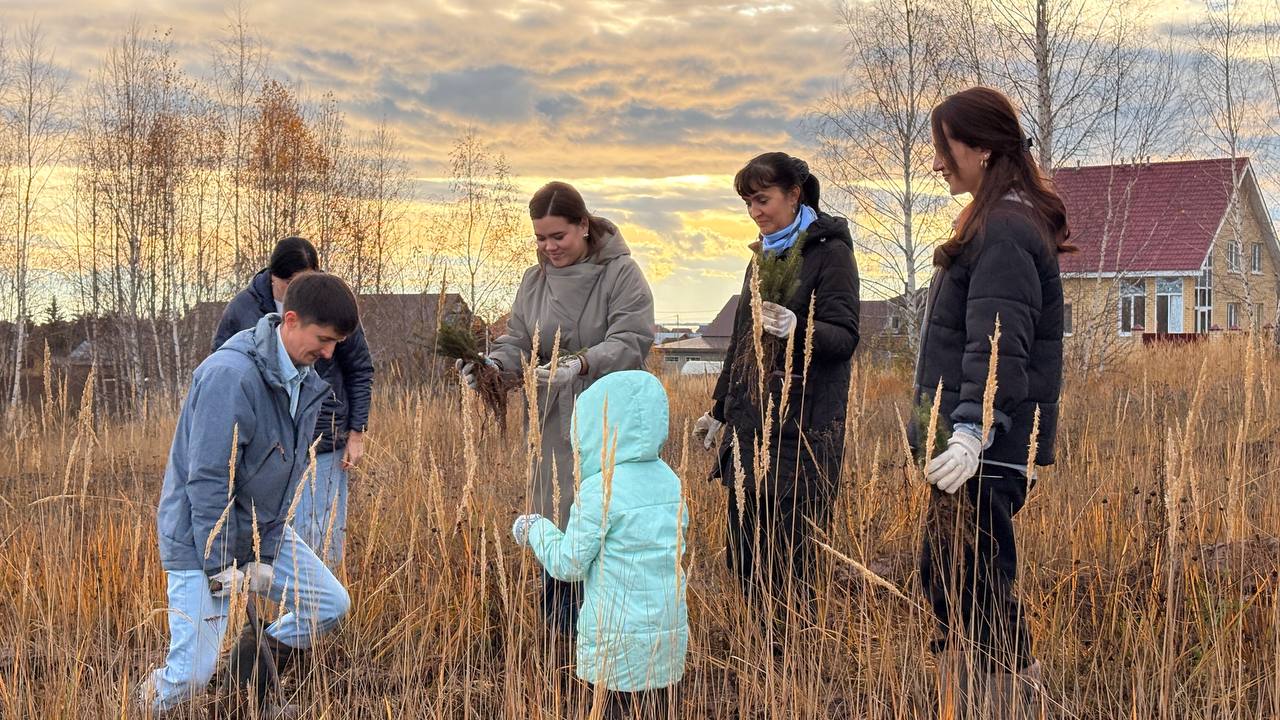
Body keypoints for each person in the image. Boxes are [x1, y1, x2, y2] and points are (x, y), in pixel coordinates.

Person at [915, 86, 1070, 713]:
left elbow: (998, 340)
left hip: (991, 441)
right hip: (979, 438)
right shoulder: (995, 217)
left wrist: (973, 430)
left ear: (978, 148)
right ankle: (976, 689)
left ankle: (1016, 693)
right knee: (953, 571)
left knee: (975, 576)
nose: (936, 163)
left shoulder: (1004, 227)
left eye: (943, 148)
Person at [139, 273, 360, 714]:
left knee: (328, 604)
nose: (330, 353)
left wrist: (264, 552)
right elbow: (207, 480)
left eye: (337, 342)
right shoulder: (231, 376)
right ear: (290, 320)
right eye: (323, 339)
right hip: (202, 538)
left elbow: (282, 474)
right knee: (189, 676)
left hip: (262, 531)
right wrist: (224, 564)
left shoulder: (302, 376)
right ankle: (145, 705)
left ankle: (247, 666)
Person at [458, 181, 654, 638]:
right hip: (548, 429)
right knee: (557, 528)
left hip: (609, 428)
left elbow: (632, 340)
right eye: (540, 239)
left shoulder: (621, 275)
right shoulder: (534, 281)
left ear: (583, 226)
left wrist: (581, 364)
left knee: (605, 532)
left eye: (558, 237)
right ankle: (561, 641)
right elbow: (517, 342)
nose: (549, 248)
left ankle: (611, 643)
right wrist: (489, 369)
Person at [692, 153, 859, 634]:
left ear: (795, 194)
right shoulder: (760, 257)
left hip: (802, 431)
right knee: (745, 555)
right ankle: (760, 651)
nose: (755, 212)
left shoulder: (829, 253)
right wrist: (720, 409)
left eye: (762, 200)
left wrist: (798, 328)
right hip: (751, 427)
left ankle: (793, 657)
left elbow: (845, 338)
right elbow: (742, 341)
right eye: (747, 203)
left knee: (790, 561)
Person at [512, 370, 688, 720]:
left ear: (594, 431)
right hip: (667, 642)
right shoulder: (670, 481)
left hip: (615, 647)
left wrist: (535, 529)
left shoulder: (600, 488)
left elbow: (569, 564)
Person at [212, 237, 374, 568]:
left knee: (322, 536)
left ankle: (317, 613)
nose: (298, 288)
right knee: (266, 539)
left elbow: (360, 369)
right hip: (267, 447)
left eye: (306, 279)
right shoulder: (243, 310)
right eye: (291, 282)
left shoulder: (329, 305)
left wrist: (356, 432)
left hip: (323, 439)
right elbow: (222, 372)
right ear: (274, 277)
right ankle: (267, 615)